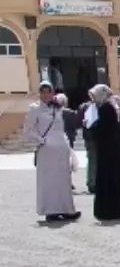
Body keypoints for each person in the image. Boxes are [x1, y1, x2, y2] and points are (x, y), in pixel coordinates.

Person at [23, 81, 79, 223]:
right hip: (47, 150)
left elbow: (61, 129)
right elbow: (27, 131)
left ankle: (66, 209)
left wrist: (67, 146)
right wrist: (41, 140)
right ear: (39, 93)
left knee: (63, 181)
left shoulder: (57, 108)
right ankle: (51, 210)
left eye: (49, 91)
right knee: (49, 181)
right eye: (43, 92)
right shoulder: (34, 109)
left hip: (61, 148)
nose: (46, 94)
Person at [88, 85, 120, 221]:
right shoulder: (110, 107)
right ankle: (119, 209)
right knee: (115, 178)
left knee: (109, 178)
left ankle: (110, 210)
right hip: (112, 148)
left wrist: (91, 127)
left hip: (108, 149)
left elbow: (103, 129)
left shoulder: (105, 108)